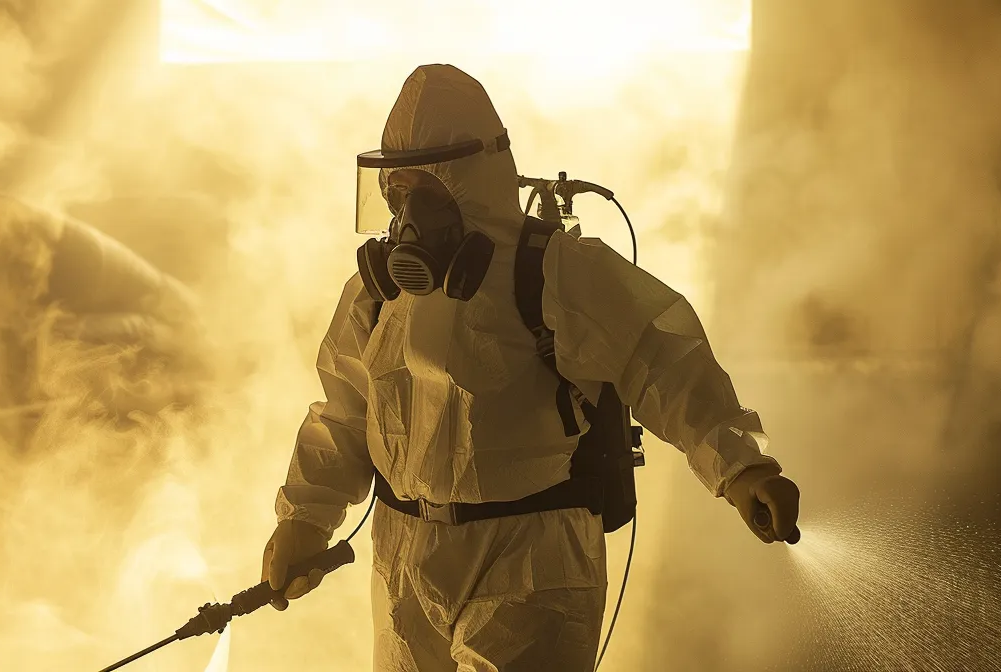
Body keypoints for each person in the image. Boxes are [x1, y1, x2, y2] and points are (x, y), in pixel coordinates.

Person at [261, 63, 801, 671]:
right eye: (398, 189)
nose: (410, 211)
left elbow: (664, 364)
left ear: (474, 181)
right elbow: (342, 416)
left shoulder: (557, 271)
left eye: (428, 191)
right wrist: (305, 519)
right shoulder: (376, 295)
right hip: (402, 560)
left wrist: (744, 468)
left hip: (532, 560)